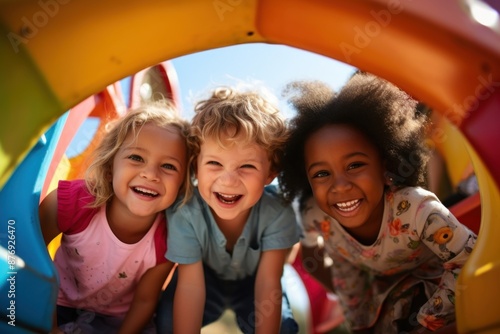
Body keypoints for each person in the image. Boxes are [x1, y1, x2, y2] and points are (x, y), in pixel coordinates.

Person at [278, 72, 477, 333]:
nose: (340, 185)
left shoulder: (416, 209)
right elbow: (327, 266)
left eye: (355, 165)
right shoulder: (315, 215)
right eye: (322, 174)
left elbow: (467, 259)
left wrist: (429, 319)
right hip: (380, 293)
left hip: (435, 289)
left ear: (386, 166)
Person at [39, 100, 193, 334]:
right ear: (111, 165)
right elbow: (28, 252)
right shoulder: (73, 202)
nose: (150, 174)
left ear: (182, 184)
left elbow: (144, 301)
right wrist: (47, 324)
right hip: (53, 302)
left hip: (114, 319)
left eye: (169, 166)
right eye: (137, 158)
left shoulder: (168, 237)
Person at [156, 86, 301, 334]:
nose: (229, 180)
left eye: (246, 166)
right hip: (204, 278)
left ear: (270, 174)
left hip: (255, 281)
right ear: (196, 167)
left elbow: (268, 283)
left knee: (283, 328)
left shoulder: (277, 211)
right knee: (166, 324)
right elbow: (190, 287)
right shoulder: (185, 212)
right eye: (214, 163)